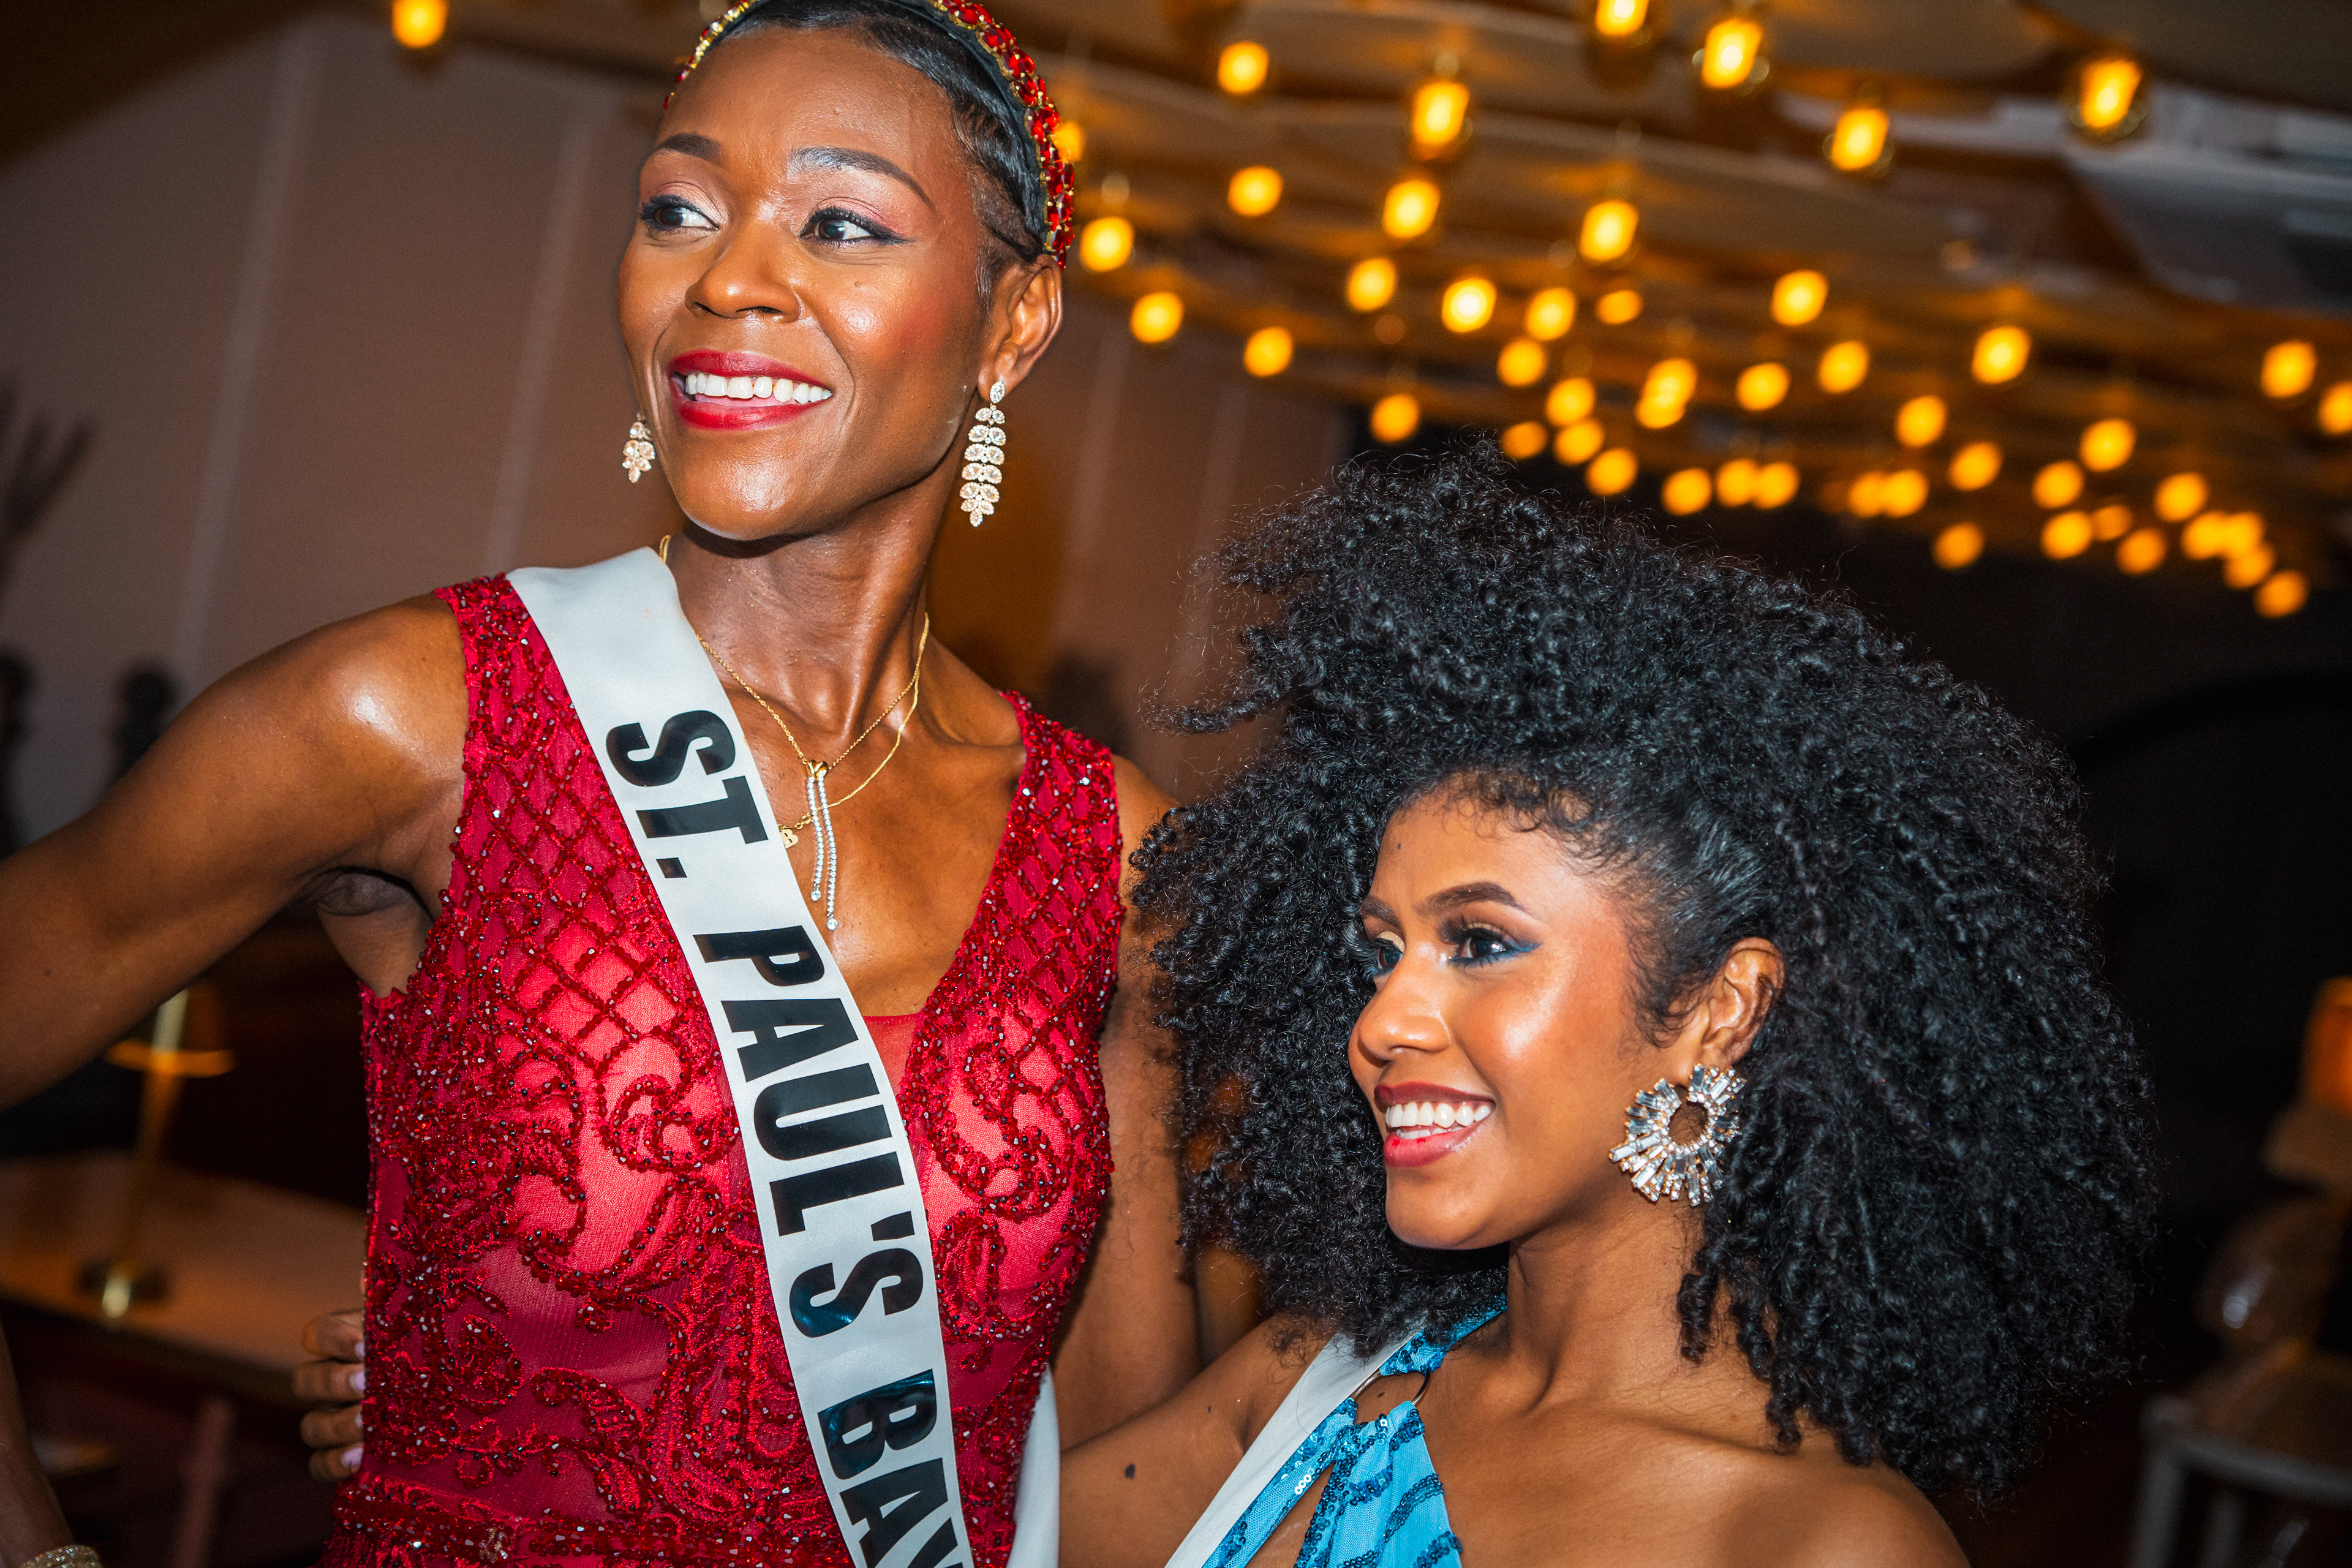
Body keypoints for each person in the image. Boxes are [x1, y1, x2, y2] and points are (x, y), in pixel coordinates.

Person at [0, 4, 1200, 1566]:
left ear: (1015, 321)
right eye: (679, 208)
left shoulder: (1115, 855)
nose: (731, 278)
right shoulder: (415, 719)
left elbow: (1125, 1473)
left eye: (841, 223)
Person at [1042, 450, 2158, 1564]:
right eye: (1382, 953)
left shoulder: (1818, 1545)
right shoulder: (1309, 1387)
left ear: (1721, 1010)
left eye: (1480, 944)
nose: (1381, 1023)